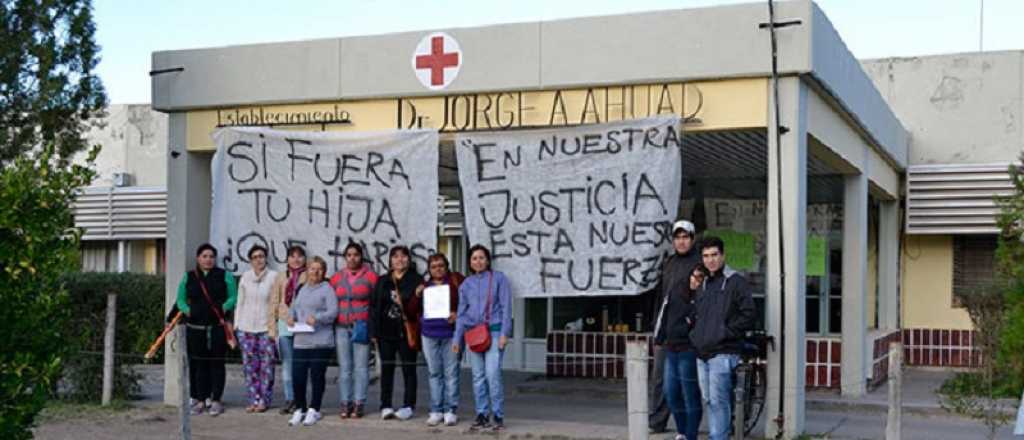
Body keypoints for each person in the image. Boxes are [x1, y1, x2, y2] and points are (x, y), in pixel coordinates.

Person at [689, 236, 756, 440]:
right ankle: (718, 435)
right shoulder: (703, 283)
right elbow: (696, 313)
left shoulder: (736, 282)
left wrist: (724, 332)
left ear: (723, 255)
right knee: (708, 399)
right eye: (706, 256)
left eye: (714, 255)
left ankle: (718, 437)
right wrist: (694, 332)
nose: (711, 260)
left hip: (724, 351)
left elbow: (749, 314)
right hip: (702, 352)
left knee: (719, 401)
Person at [653, 220, 703, 440]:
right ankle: (661, 423)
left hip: (689, 339)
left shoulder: (699, 264)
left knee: (688, 390)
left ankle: (689, 434)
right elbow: (661, 299)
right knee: (666, 387)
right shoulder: (669, 263)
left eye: (685, 237)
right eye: (678, 237)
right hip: (667, 334)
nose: (681, 241)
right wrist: (657, 329)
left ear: (692, 239)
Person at [453, 245, 512, 432]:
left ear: (488, 260)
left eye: (481, 257)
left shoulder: (499, 279)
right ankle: (482, 414)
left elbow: (506, 307)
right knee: (478, 376)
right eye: (474, 258)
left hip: (494, 332)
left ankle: (498, 415)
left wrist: (505, 333)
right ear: (469, 262)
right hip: (474, 334)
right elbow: (461, 314)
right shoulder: (466, 284)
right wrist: (457, 339)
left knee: (492, 374)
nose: (478, 261)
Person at [176, 243, 237, 417]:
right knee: (198, 365)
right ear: (198, 258)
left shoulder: (225, 275)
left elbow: (233, 296)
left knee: (217, 364)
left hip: (217, 327)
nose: (208, 259)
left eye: (211, 256)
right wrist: (189, 311)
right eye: (204, 256)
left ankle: (216, 399)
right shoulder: (189, 277)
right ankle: (200, 399)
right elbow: (180, 299)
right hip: (195, 328)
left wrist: (224, 308)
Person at [369, 245, 421, 421]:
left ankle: (408, 405)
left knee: (409, 369)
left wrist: (405, 300)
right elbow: (374, 307)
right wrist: (374, 331)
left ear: (409, 259)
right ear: (390, 260)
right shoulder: (383, 280)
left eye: (403, 256)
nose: (400, 260)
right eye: (395, 257)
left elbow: (418, 306)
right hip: (385, 332)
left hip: (406, 331)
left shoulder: (416, 279)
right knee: (387, 369)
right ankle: (385, 405)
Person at [286, 256, 338, 427]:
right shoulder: (301, 288)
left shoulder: (327, 289)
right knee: (298, 377)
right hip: (301, 340)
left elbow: (333, 312)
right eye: (312, 268)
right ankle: (300, 408)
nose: (315, 272)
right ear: (307, 271)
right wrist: (291, 318)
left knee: (317, 376)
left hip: (321, 341)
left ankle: (314, 409)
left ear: (324, 272)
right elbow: (294, 307)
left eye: (319, 269)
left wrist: (318, 318)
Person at [329, 242, 378, 419]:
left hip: (361, 326)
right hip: (341, 326)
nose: (352, 258)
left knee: (361, 367)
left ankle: (359, 403)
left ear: (361, 256)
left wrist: (373, 328)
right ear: (344, 258)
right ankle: (345, 402)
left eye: (355, 254)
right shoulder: (336, 277)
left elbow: (376, 302)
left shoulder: (371, 277)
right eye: (349, 255)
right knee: (345, 367)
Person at [415, 253, 465, 427]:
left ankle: (450, 410)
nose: (438, 269)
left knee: (451, 373)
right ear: (429, 269)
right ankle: (436, 409)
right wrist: (416, 295)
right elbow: (412, 309)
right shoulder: (424, 287)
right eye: (434, 266)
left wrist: (457, 314)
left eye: (441, 265)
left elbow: (466, 304)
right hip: (429, 334)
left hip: (450, 334)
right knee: (434, 373)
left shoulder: (455, 283)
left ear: (447, 266)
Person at [234, 245, 279, 413]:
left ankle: (264, 400)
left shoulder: (274, 277)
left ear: (266, 258)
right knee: (250, 367)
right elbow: (240, 302)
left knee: (267, 367)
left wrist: (274, 326)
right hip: (246, 328)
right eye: (255, 257)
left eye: (261, 256)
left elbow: (276, 303)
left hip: (266, 328)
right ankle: (253, 399)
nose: (259, 259)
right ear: (250, 260)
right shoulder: (245, 277)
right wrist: (237, 325)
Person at [270, 245, 307, 415]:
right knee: (287, 364)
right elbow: (274, 302)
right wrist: (273, 328)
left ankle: (301, 399)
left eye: (300, 256)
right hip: (285, 324)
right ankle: (289, 398)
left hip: (303, 325)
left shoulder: (309, 275)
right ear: (287, 259)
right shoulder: (280, 276)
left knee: (301, 364)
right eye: (292, 256)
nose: (296, 259)